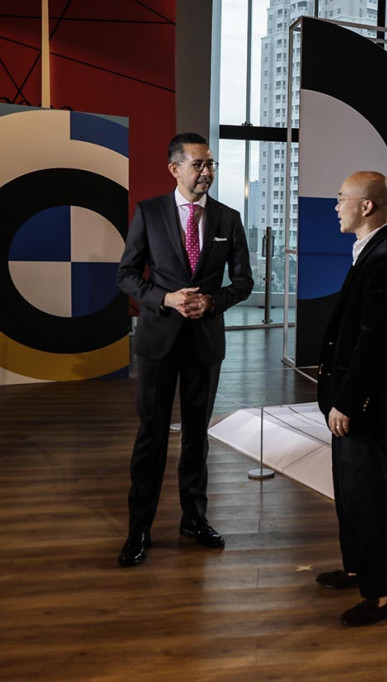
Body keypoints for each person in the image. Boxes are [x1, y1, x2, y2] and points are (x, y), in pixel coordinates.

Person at [116, 132, 253, 566]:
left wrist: (211, 301)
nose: (207, 172)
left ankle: (194, 519)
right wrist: (166, 298)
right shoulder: (149, 212)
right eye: (199, 164)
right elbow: (126, 275)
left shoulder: (229, 219)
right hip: (158, 342)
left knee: (197, 437)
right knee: (152, 436)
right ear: (175, 169)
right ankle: (139, 529)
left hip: (204, 343)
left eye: (211, 164)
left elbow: (244, 282)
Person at [316, 171, 387, 626]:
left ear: (366, 206)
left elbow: (374, 343)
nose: (336, 206)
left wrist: (349, 401)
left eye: (342, 199)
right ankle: (359, 567)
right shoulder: (372, 251)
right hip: (356, 400)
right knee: (351, 492)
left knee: (371, 497)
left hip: (368, 405)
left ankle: (386, 591)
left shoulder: (386, 258)